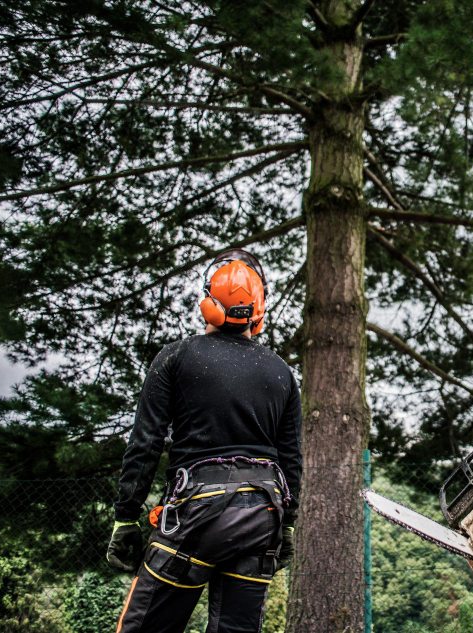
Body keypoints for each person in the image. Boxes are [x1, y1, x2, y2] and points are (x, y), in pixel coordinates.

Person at [107, 248, 302, 633]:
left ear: (207, 304)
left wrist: (126, 517)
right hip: (262, 519)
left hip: (194, 516)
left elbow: (145, 443)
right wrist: (288, 526)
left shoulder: (176, 358)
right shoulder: (281, 373)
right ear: (258, 312)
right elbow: (291, 459)